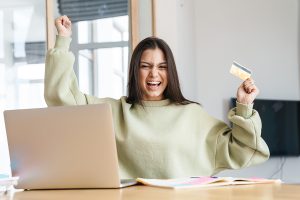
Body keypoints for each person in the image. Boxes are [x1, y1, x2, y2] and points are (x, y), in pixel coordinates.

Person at [44, 16, 269, 179]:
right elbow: (62, 99)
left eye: (162, 66)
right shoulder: (114, 112)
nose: (154, 74)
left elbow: (243, 149)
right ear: (135, 71)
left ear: (170, 72)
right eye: (145, 66)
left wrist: (244, 105)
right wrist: (63, 40)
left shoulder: (192, 115)